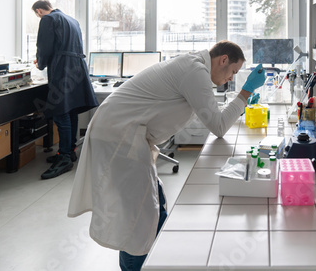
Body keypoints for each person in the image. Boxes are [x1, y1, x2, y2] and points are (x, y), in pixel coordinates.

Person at [67, 40, 265, 271]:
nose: (231, 78)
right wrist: (245, 92)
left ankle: (159, 260)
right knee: (136, 224)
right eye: (233, 71)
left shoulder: (194, 66)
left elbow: (214, 117)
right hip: (118, 136)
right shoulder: (196, 71)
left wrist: (241, 102)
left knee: (156, 205)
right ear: (223, 60)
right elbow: (219, 126)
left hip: (127, 134)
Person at [32, 0, 99, 180]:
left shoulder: (48, 19)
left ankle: (63, 158)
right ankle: (70, 151)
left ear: (39, 10)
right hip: (77, 69)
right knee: (71, 110)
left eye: (37, 14)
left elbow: (44, 47)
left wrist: (41, 63)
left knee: (60, 112)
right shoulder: (72, 20)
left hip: (63, 69)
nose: (39, 16)